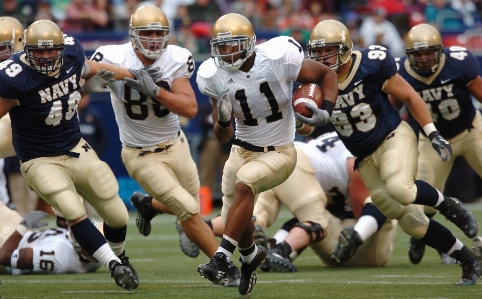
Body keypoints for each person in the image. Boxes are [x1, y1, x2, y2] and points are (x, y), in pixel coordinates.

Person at [298, 19, 480, 286]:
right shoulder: (313, 81)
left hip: (392, 138)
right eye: (318, 51)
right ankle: (467, 259)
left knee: (401, 188)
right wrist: (306, 122)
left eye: (329, 49)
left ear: (346, 48)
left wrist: (431, 132)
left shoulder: (370, 64)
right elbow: (302, 129)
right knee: (411, 223)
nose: (323, 56)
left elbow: (410, 96)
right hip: (364, 159)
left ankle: (449, 205)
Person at [89, 5, 235, 286]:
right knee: (187, 209)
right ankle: (222, 266)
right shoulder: (114, 55)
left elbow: (190, 108)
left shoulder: (176, 58)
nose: (154, 39)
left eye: (159, 33)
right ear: (133, 36)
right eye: (148, 33)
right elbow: (83, 71)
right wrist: (114, 75)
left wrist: (155, 90)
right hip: (140, 153)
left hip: (175, 145)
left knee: (193, 207)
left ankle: (148, 205)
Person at [195, 13, 338, 295]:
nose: (226, 52)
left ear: (249, 43)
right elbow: (222, 136)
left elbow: (326, 74)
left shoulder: (277, 58)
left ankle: (221, 258)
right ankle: (250, 256)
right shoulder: (214, 75)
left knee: (244, 185)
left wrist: (327, 110)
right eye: (221, 46)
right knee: (235, 215)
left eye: (232, 44)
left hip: (280, 152)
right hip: (241, 149)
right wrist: (223, 120)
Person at [0, 19, 141, 290]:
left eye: (50, 51)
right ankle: (114, 265)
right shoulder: (14, 77)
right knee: (73, 211)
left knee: (117, 213)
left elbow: (93, 68)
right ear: (26, 50)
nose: (44, 57)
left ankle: (121, 255)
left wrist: (129, 75)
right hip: (39, 159)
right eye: (38, 52)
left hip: (74, 147)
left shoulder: (73, 53)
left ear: (60, 49)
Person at [177, 132, 397, 271]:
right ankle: (282, 250)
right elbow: (360, 207)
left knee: (253, 217)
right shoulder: (360, 155)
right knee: (316, 222)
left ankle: (201, 227)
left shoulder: (342, 138)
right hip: (298, 167)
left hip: (282, 158)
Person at [390, 23, 482, 266]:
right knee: (425, 200)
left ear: (440, 50)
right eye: (417, 54)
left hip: (470, 130)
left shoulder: (458, 62)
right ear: (408, 55)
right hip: (432, 140)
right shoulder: (401, 72)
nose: (423, 59)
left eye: (428, 52)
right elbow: (391, 112)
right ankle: (424, 238)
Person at [0, 210, 103, 275]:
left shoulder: (58, 255)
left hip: (7, 245)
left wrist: (24, 226)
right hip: (21, 236)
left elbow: (4, 257)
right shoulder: (95, 257)